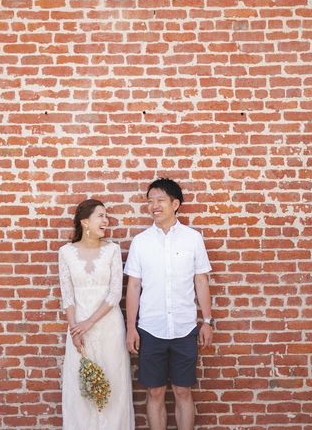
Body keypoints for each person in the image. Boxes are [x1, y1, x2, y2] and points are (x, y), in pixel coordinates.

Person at [124, 178, 213, 430]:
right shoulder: (141, 242)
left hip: (185, 328)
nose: (154, 206)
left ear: (175, 204)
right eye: (150, 201)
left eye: (160, 200)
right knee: (155, 392)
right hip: (151, 329)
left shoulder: (193, 239)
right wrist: (131, 328)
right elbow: (133, 286)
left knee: (183, 391)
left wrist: (207, 321)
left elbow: (201, 281)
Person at [58, 199, 135, 430]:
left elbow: (115, 293)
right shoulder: (66, 253)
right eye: (100, 216)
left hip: (109, 327)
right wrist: (75, 329)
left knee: (113, 384)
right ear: (85, 222)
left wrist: (88, 323)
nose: (106, 220)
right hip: (78, 331)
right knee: (81, 387)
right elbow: (67, 296)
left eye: (106, 216)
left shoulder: (112, 250)